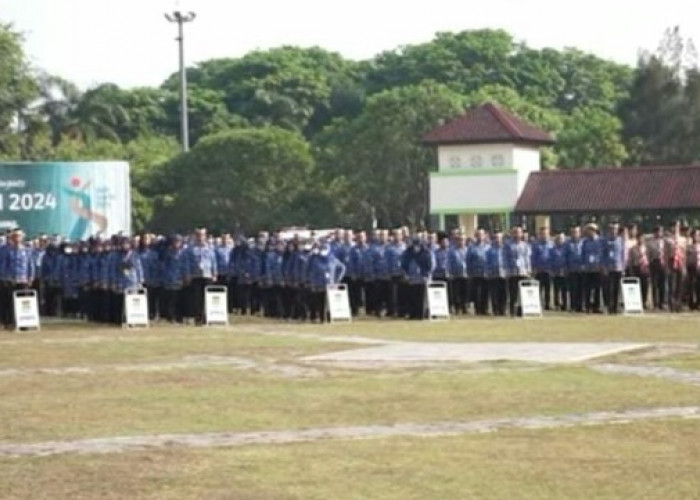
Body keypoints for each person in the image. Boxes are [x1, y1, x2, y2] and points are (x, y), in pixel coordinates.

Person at [1, 229, 36, 328]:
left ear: (22, 237)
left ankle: (23, 322)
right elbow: (4, 265)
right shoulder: (7, 250)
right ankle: (9, 322)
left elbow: (30, 265)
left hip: (23, 279)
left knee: (23, 301)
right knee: (9, 301)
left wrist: (31, 277)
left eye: (19, 236)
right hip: (10, 279)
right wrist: (5, 277)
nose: (17, 238)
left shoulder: (27, 250)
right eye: (15, 236)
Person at [306, 241, 346, 322]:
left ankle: (329, 318)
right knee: (319, 301)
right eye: (321, 248)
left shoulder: (332, 259)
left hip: (329, 284)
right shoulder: (314, 258)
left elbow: (342, 268)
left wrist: (337, 279)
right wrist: (309, 279)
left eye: (324, 248)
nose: (323, 250)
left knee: (329, 302)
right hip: (317, 284)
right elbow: (308, 269)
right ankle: (320, 318)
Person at [184, 227, 218, 325]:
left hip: (207, 275)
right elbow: (187, 263)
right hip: (195, 275)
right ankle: (198, 318)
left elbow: (214, 261)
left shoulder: (210, 248)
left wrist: (214, 273)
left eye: (202, 235)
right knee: (197, 298)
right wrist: (187, 274)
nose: (200, 237)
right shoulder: (190, 249)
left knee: (207, 297)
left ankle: (208, 317)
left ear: (205, 236)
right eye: (198, 235)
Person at [109, 236, 144, 325]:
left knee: (131, 301)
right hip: (120, 281)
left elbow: (138, 268)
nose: (125, 246)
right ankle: (120, 320)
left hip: (132, 281)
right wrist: (113, 281)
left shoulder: (134, 255)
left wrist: (140, 280)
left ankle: (132, 320)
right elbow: (112, 268)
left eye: (127, 244)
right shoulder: (116, 255)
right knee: (119, 301)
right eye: (124, 244)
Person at [400, 237, 434, 320]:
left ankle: (421, 314)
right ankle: (413, 314)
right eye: (414, 245)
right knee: (412, 297)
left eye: (417, 245)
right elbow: (404, 264)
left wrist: (426, 275)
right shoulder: (408, 253)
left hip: (423, 279)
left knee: (422, 298)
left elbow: (430, 265)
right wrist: (406, 274)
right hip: (412, 279)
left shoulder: (426, 253)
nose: (416, 247)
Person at [505, 226, 531, 317]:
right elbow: (505, 259)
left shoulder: (525, 245)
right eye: (515, 232)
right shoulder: (508, 245)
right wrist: (506, 270)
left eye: (519, 232)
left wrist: (528, 270)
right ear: (512, 234)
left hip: (523, 272)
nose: (517, 234)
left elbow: (527, 258)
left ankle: (522, 311)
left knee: (522, 293)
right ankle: (512, 311)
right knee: (513, 293)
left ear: (521, 234)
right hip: (512, 272)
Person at [162, 234, 187, 323]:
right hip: (170, 278)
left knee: (180, 299)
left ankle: (179, 317)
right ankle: (170, 317)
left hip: (180, 277)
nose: (177, 243)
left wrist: (186, 275)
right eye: (175, 241)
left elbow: (186, 265)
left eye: (178, 242)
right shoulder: (168, 252)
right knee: (170, 299)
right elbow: (164, 265)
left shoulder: (184, 252)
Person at [602, 224, 626, 314]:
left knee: (617, 289)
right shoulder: (605, 240)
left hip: (618, 267)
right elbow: (603, 254)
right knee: (609, 289)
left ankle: (616, 307)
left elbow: (623, 255)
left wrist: (623, 267)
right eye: (611, 229)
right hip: (608, 268)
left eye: (615, 229)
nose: (613, 231)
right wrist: (604, 267)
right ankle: (609, 307)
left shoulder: (620, 240)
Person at [581, 223, 603, 314]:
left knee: (597, 289)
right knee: (587, 289)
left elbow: (602, 254)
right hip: (587, 268)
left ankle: (596, 307)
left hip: (597, 268)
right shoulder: (585, 242)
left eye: (592, 230)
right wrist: (583, 264)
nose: (590, 232)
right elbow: (583, 253)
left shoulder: (600, 241)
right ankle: (587, 306)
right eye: (589, 230)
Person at [468, 229, 490, 316]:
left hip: (486, 273)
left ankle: (485, 309)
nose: (480, 237)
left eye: (482, 235)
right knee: (477, 292)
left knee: (485, 292)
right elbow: (468, 260)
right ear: (476, 236)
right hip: (476, 273)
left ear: (484, 236)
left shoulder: (488, 247)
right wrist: (469, 272)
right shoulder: (471, 247)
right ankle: (478, 309)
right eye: (478, 235)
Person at [486, 231, 508, 316]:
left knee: (504, 293)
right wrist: (488, 272)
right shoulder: (489, 250)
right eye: (495, 238)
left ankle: (503, 310)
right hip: (493, 274)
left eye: (499, 237)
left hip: (504, 274)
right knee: (494, 294)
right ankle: (495, 310)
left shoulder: (506, 249)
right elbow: (487, 263)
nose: (497, 239)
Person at [447, 233, 469, 315]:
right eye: (459, 240)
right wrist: (449, 272)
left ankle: (464, 307)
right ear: (456, 241)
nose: (461, 241)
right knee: (456, 292)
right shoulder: (452, 251)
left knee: (465, 292)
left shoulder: (468, 250)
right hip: (455, 274)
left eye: (463, 240)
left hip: (466, 274)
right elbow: (449, 262)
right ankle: (457, 307)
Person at [531, 227, 552, 310]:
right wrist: (534, 268)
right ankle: (537, 304)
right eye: (542, 234)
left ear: (548, 234)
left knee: (548, 289)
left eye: (545, 233)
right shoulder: (536, 245)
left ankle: (547, 304)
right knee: (538, 289)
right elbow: (533, 257)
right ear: (539, 235)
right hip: (539, 270)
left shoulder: (551, 244)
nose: (544, 235)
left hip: (549, 269)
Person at [647, 226, 667, 311]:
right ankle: (655, 303)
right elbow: (648, 254)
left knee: (662, 284)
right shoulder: (650, 242)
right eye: (658, 232)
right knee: (654, 284)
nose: (659, 233)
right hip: (654, 263)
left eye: (661, 232)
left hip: (663, 263)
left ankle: (662, 303)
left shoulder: (665, 242)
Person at [550, 234, 569, 311]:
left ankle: (565, 305)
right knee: (556, 289)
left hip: (564, 271)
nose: (560, 240)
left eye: (561, 239)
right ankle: (557, 304)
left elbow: (568, 259)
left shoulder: (566, 249)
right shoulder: (552, 249)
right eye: (558, 239)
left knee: (564, 289)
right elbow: (551, 260)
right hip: (556, 271)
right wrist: (551, 270)